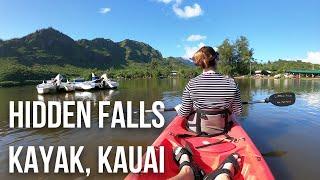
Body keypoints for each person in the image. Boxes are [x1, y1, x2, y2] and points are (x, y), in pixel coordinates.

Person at [170, 46, 243, 180]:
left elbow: (184, 113)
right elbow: (238, 111)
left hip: (196, 130)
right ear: (216, 60)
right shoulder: (231, 83)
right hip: (223, 129)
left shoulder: (192, 84)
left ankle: (187, 171)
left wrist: (178, 108)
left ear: (200, 63)